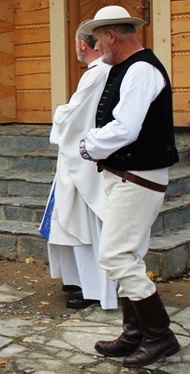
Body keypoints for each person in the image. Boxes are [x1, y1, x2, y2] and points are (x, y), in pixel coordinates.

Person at [78, 5, 180, 368]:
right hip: (129, 176)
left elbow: (126, 128)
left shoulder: (141, 69)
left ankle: (160, 335)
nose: (95, 44)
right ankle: (135, 333)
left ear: (112, 35)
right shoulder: (127, 68)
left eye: (98, 37)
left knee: (116, 255)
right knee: (128, 254)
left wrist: (88, 145)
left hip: (139, 178)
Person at [39, 24, 117, 311]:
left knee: (85, 224)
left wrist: (60, 113)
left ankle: (94, 287)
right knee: (76, 222)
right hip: (89, 156)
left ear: (83, 45)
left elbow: (72, 115)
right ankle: (78, 279)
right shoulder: (107, 72)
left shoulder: (97, 74)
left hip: (84, 160)